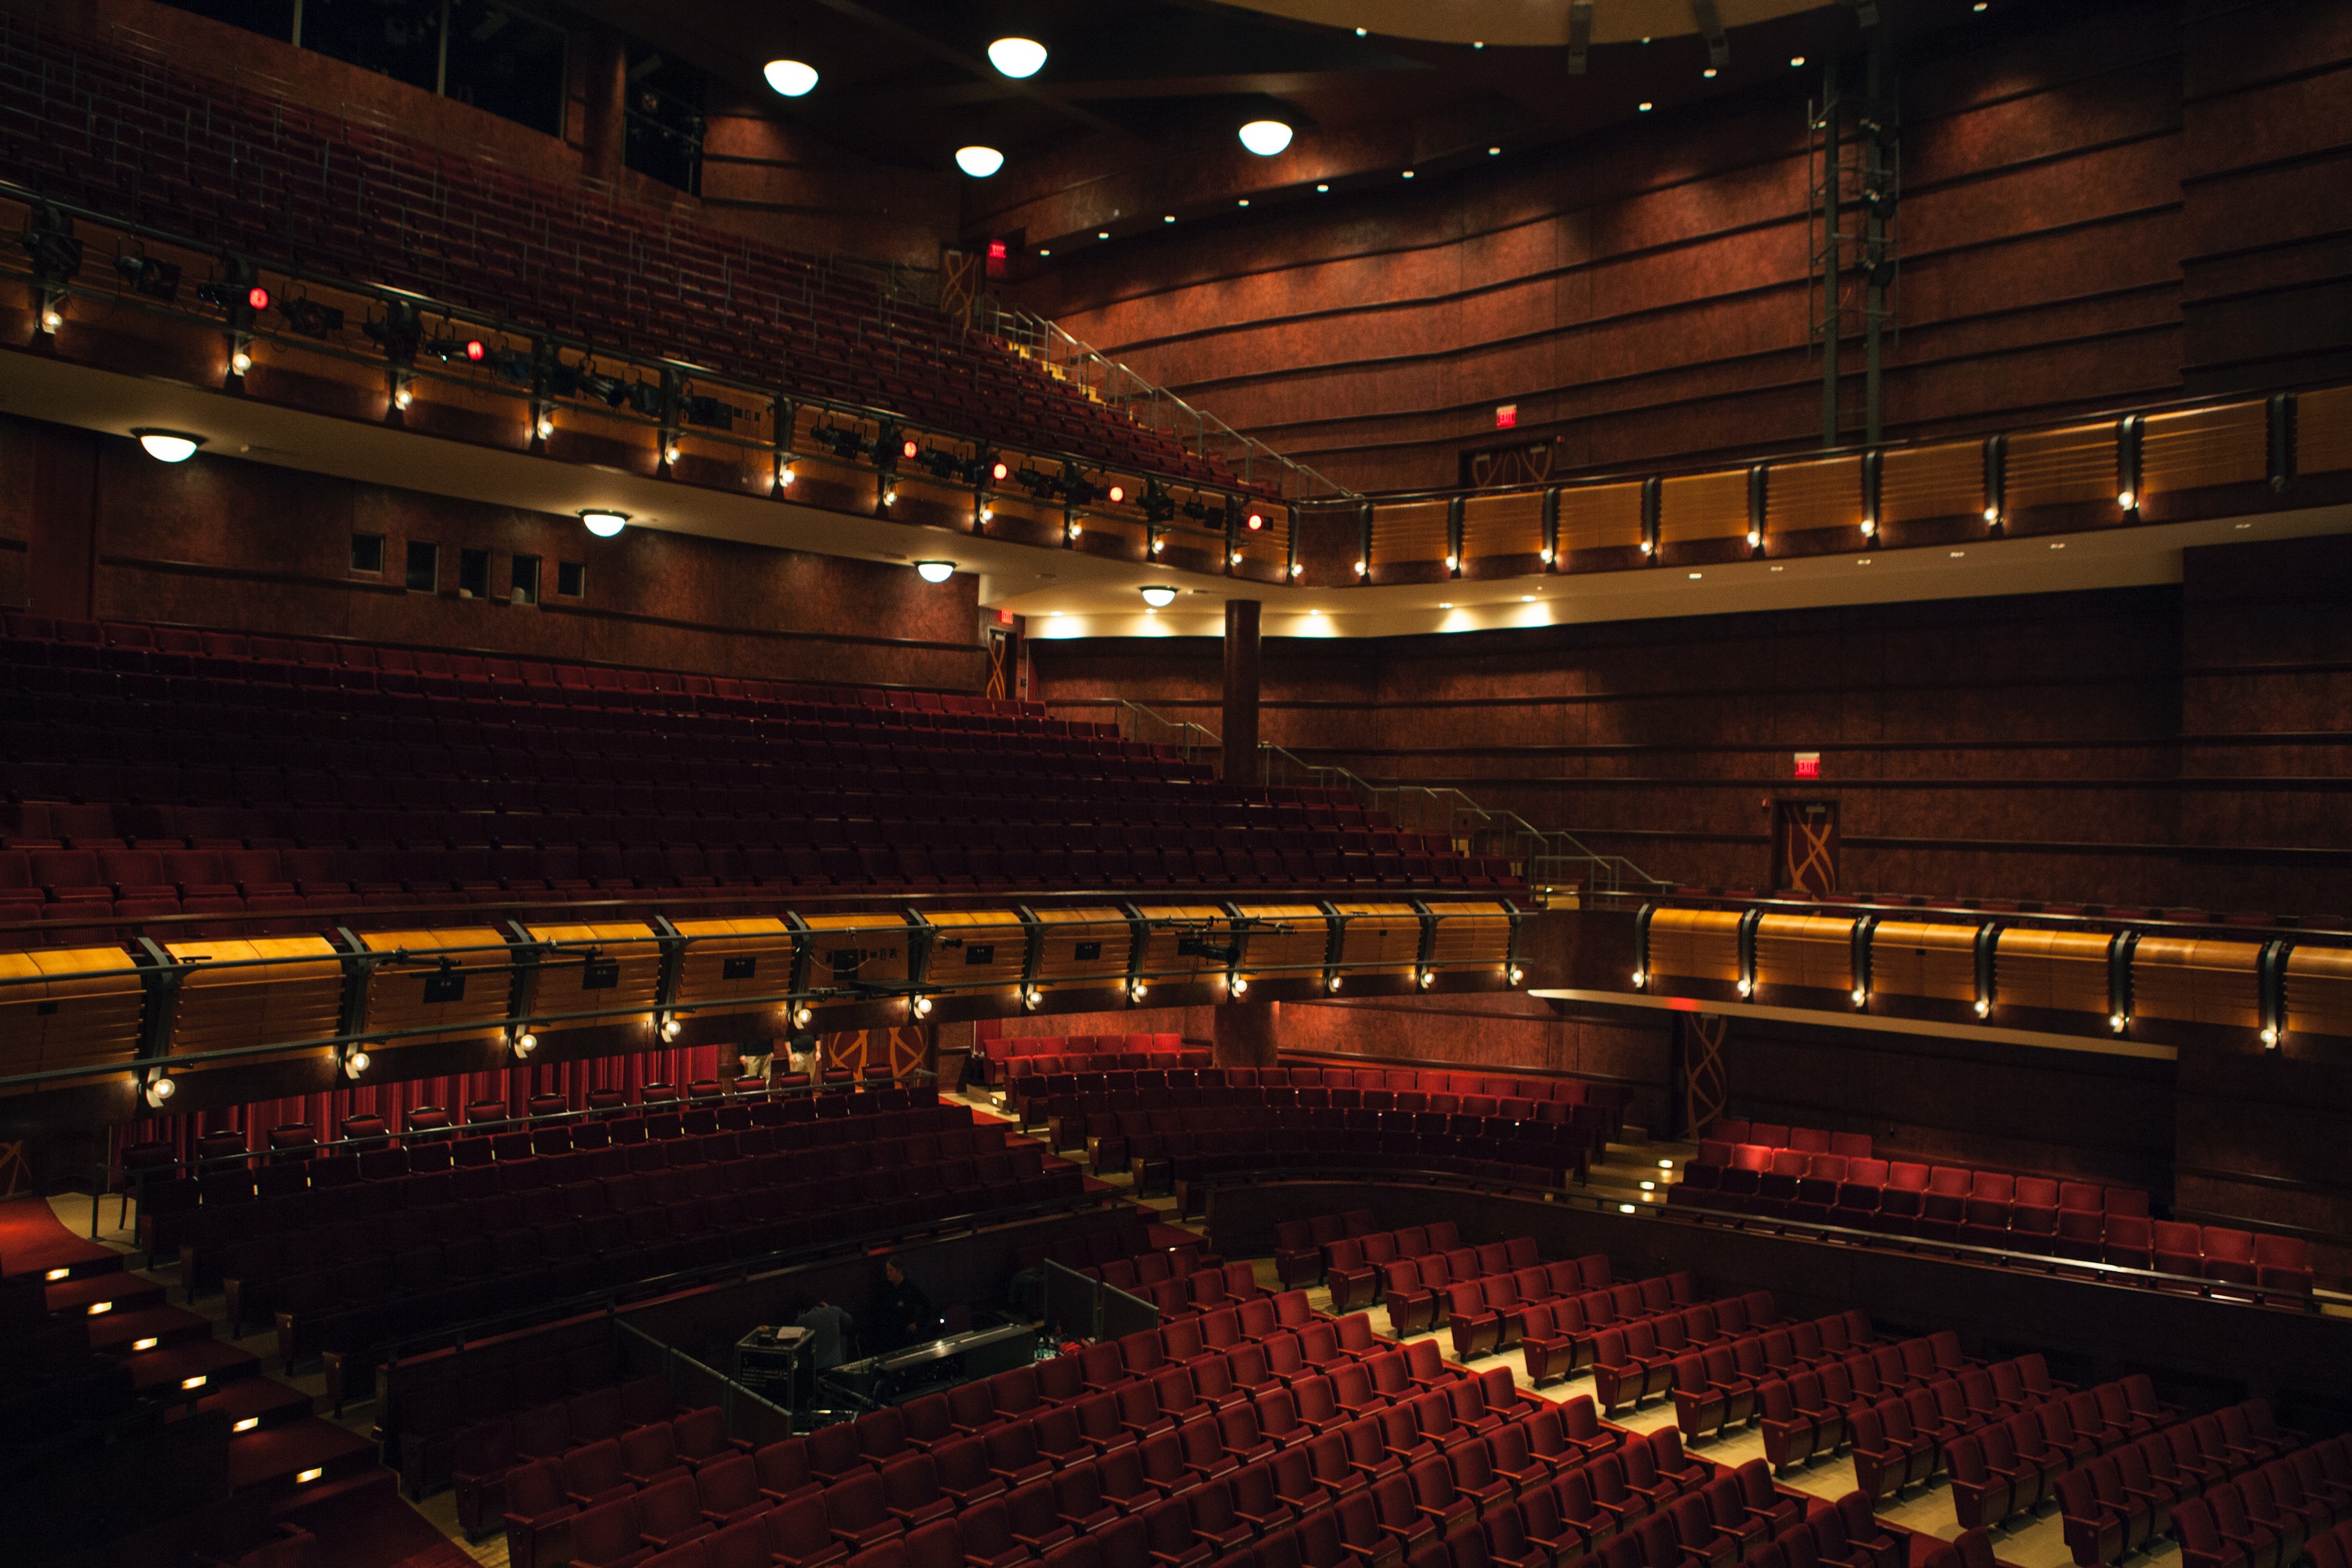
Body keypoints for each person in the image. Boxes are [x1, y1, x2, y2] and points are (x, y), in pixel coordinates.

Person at [874, 1255, 936, 1352]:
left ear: (898, 1270)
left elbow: (928, 1305)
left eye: (891, 1270)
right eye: (887, 1270)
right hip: (892, 1337)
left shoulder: (910, 1288)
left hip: (908, 1337)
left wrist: (918, 1324)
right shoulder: (886, 1289)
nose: (888, 1273)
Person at [794, 1298, 852, 1371]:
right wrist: (829, 1308)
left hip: (814, 1369)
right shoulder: (834, 1311)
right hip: (836, 1365)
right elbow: (849, 1322)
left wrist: (800, 1319)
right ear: (822, 1304)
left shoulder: (801, 1321)